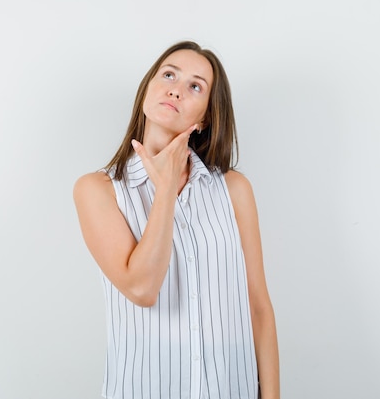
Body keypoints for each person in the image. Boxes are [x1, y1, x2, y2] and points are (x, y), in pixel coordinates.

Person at [73, 40, 279, 399]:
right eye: (169, 74)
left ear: (206, 117)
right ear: (147, 89)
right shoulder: (98, 190)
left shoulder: (234, 190)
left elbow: (258, 307)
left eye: (195, 86)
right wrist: (165, 188)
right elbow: (142, 288)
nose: (176, 89)